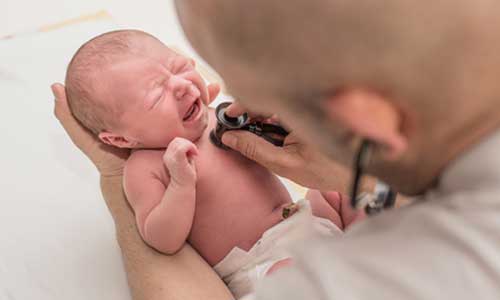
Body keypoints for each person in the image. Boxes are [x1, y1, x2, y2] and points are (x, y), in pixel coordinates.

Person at [172, 0, 500, 299]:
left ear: (366, 122)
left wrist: (119, 176)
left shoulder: (362, 282)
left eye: (260, 101)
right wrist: (368, 180)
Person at [63, 29, 348, 299]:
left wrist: (275, 126)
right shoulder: (145, 167)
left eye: (179, 68)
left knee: (353, 190)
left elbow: (286, 153)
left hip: (306, 219)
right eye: (156, 95)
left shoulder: (218, 115)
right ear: (121, 139)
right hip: (260, 262)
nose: (181, 86)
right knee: (289, 281)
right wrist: (180, 184)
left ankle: (363, 243)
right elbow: (162, 239)